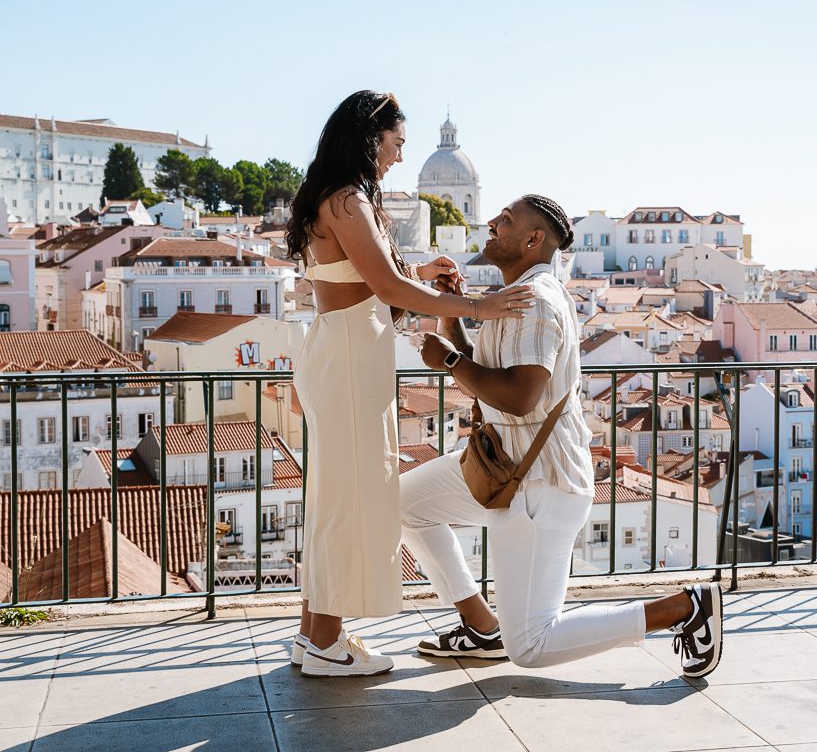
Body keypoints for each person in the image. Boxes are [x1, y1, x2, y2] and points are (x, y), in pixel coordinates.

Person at [401, 195, 723, 678]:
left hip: (539, 483)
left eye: (504, 221)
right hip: (502, 464)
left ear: (533, 240)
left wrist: (448, 360)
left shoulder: (536, 301)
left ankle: (685, 607)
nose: (490, 222)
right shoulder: (517, 295)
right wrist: (453, 320)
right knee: (405, 503)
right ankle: (480, 625)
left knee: (530, 646)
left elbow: (521, 396)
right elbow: (487, 374)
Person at [284, 91, 534, 678]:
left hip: (342, 348)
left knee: (336, 497)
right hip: (350, 355)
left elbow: (368, 279)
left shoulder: (335, 196)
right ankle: (325, 643)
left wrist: (418, 273)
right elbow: (388, 292)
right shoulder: (348, 200)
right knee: (349, 499)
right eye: (395, 145)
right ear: (370, 138)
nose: (398, 159)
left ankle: (314, 636)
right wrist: (479, 304)